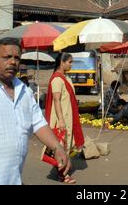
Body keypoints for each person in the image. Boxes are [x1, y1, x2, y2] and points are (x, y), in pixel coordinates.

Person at [0, 37, 70, 185]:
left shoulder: (24, 91)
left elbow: (38, 123)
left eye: (17, 58)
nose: (13, 62)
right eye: (7, 57)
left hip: (15, 179)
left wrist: (57, 147)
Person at [45, 52, 84, 184]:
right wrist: (61, 120)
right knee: (61, 145)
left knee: (66, 144)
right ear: (62, 63)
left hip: (68, 116)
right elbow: (56, 100)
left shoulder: (66, 78)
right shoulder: (57, 79)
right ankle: (62, 174)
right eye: (69, 62)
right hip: (61, 118)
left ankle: (62, 169)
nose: (71, 64)